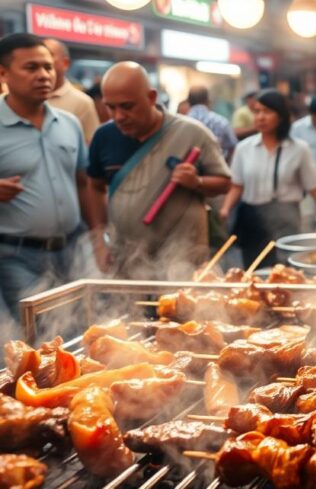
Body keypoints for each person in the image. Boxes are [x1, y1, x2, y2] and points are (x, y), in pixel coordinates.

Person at [87, 62, 230, 278]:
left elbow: (224, 182)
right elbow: (95, 187)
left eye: (127, 106)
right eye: (111, 107)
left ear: (151, 97)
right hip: (126, 261)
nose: (118, 116)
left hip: (184, 261)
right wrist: (99, 242)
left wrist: (197, 182)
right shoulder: (103, 137)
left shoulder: (192, 133)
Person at [0, 33, 99, 321]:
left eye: (47, 67)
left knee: (81, 328)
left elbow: (85, 183)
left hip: (71, 249)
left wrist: (97, 239)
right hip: (16, 255)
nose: (44, 75)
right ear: (3, 73)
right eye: (31, 68)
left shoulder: (69, 123)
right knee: (42, 332)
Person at [219, 90, 316, 268]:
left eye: (267, 111)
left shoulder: (299, 149)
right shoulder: (243, 148)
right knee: (254, 272)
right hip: (252, 219)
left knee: (285, 272)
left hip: (286, 219)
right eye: (257, 112)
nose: (261, 117)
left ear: (281, 116)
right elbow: (237, 185)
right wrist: (225, 209)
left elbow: (314, 186)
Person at [42, 38, 100, 143]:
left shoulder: (83, 103)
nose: (43, 60)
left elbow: (90, 146)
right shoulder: (25, 99)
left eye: (49, 55)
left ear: (65, 63)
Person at [186, 85, 237, 159]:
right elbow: (233, 148)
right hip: (216, 167)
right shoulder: (221, 121)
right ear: (208, 100)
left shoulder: (180, 124)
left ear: (188, 101)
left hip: (186, 168)